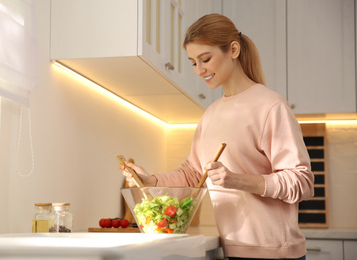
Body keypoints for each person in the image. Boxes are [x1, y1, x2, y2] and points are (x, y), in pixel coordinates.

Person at [120, 13, 314, 260]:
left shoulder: (270, 106)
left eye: (205, 59)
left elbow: (303, 182)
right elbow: (193, 174)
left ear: (233, 50)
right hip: (233, 248)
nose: (199, 70)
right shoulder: (210, 114)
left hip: (276, 252)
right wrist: (151, 181)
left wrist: (237, 180)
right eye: (193, 62)